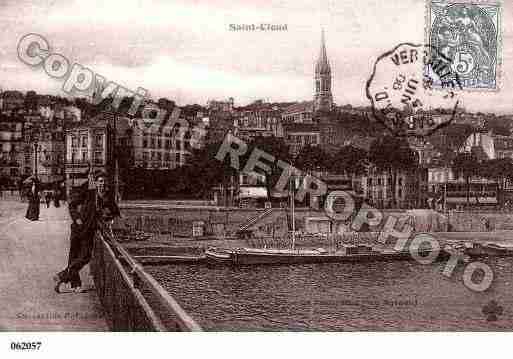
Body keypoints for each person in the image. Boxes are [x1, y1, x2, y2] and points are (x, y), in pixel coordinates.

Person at [53, 171, 120, 293]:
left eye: (104, 181)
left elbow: (115, 212)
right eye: (100, 181)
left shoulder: (108, 197)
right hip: (78, 228)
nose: (102, 184)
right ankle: (75, 285)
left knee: (85, 256)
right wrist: (77, 218)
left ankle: (62, 276)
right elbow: (72, 205)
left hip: (90, 231)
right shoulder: (89, 193)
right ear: (95, 183)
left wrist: (108, 218)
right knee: (74, 256)